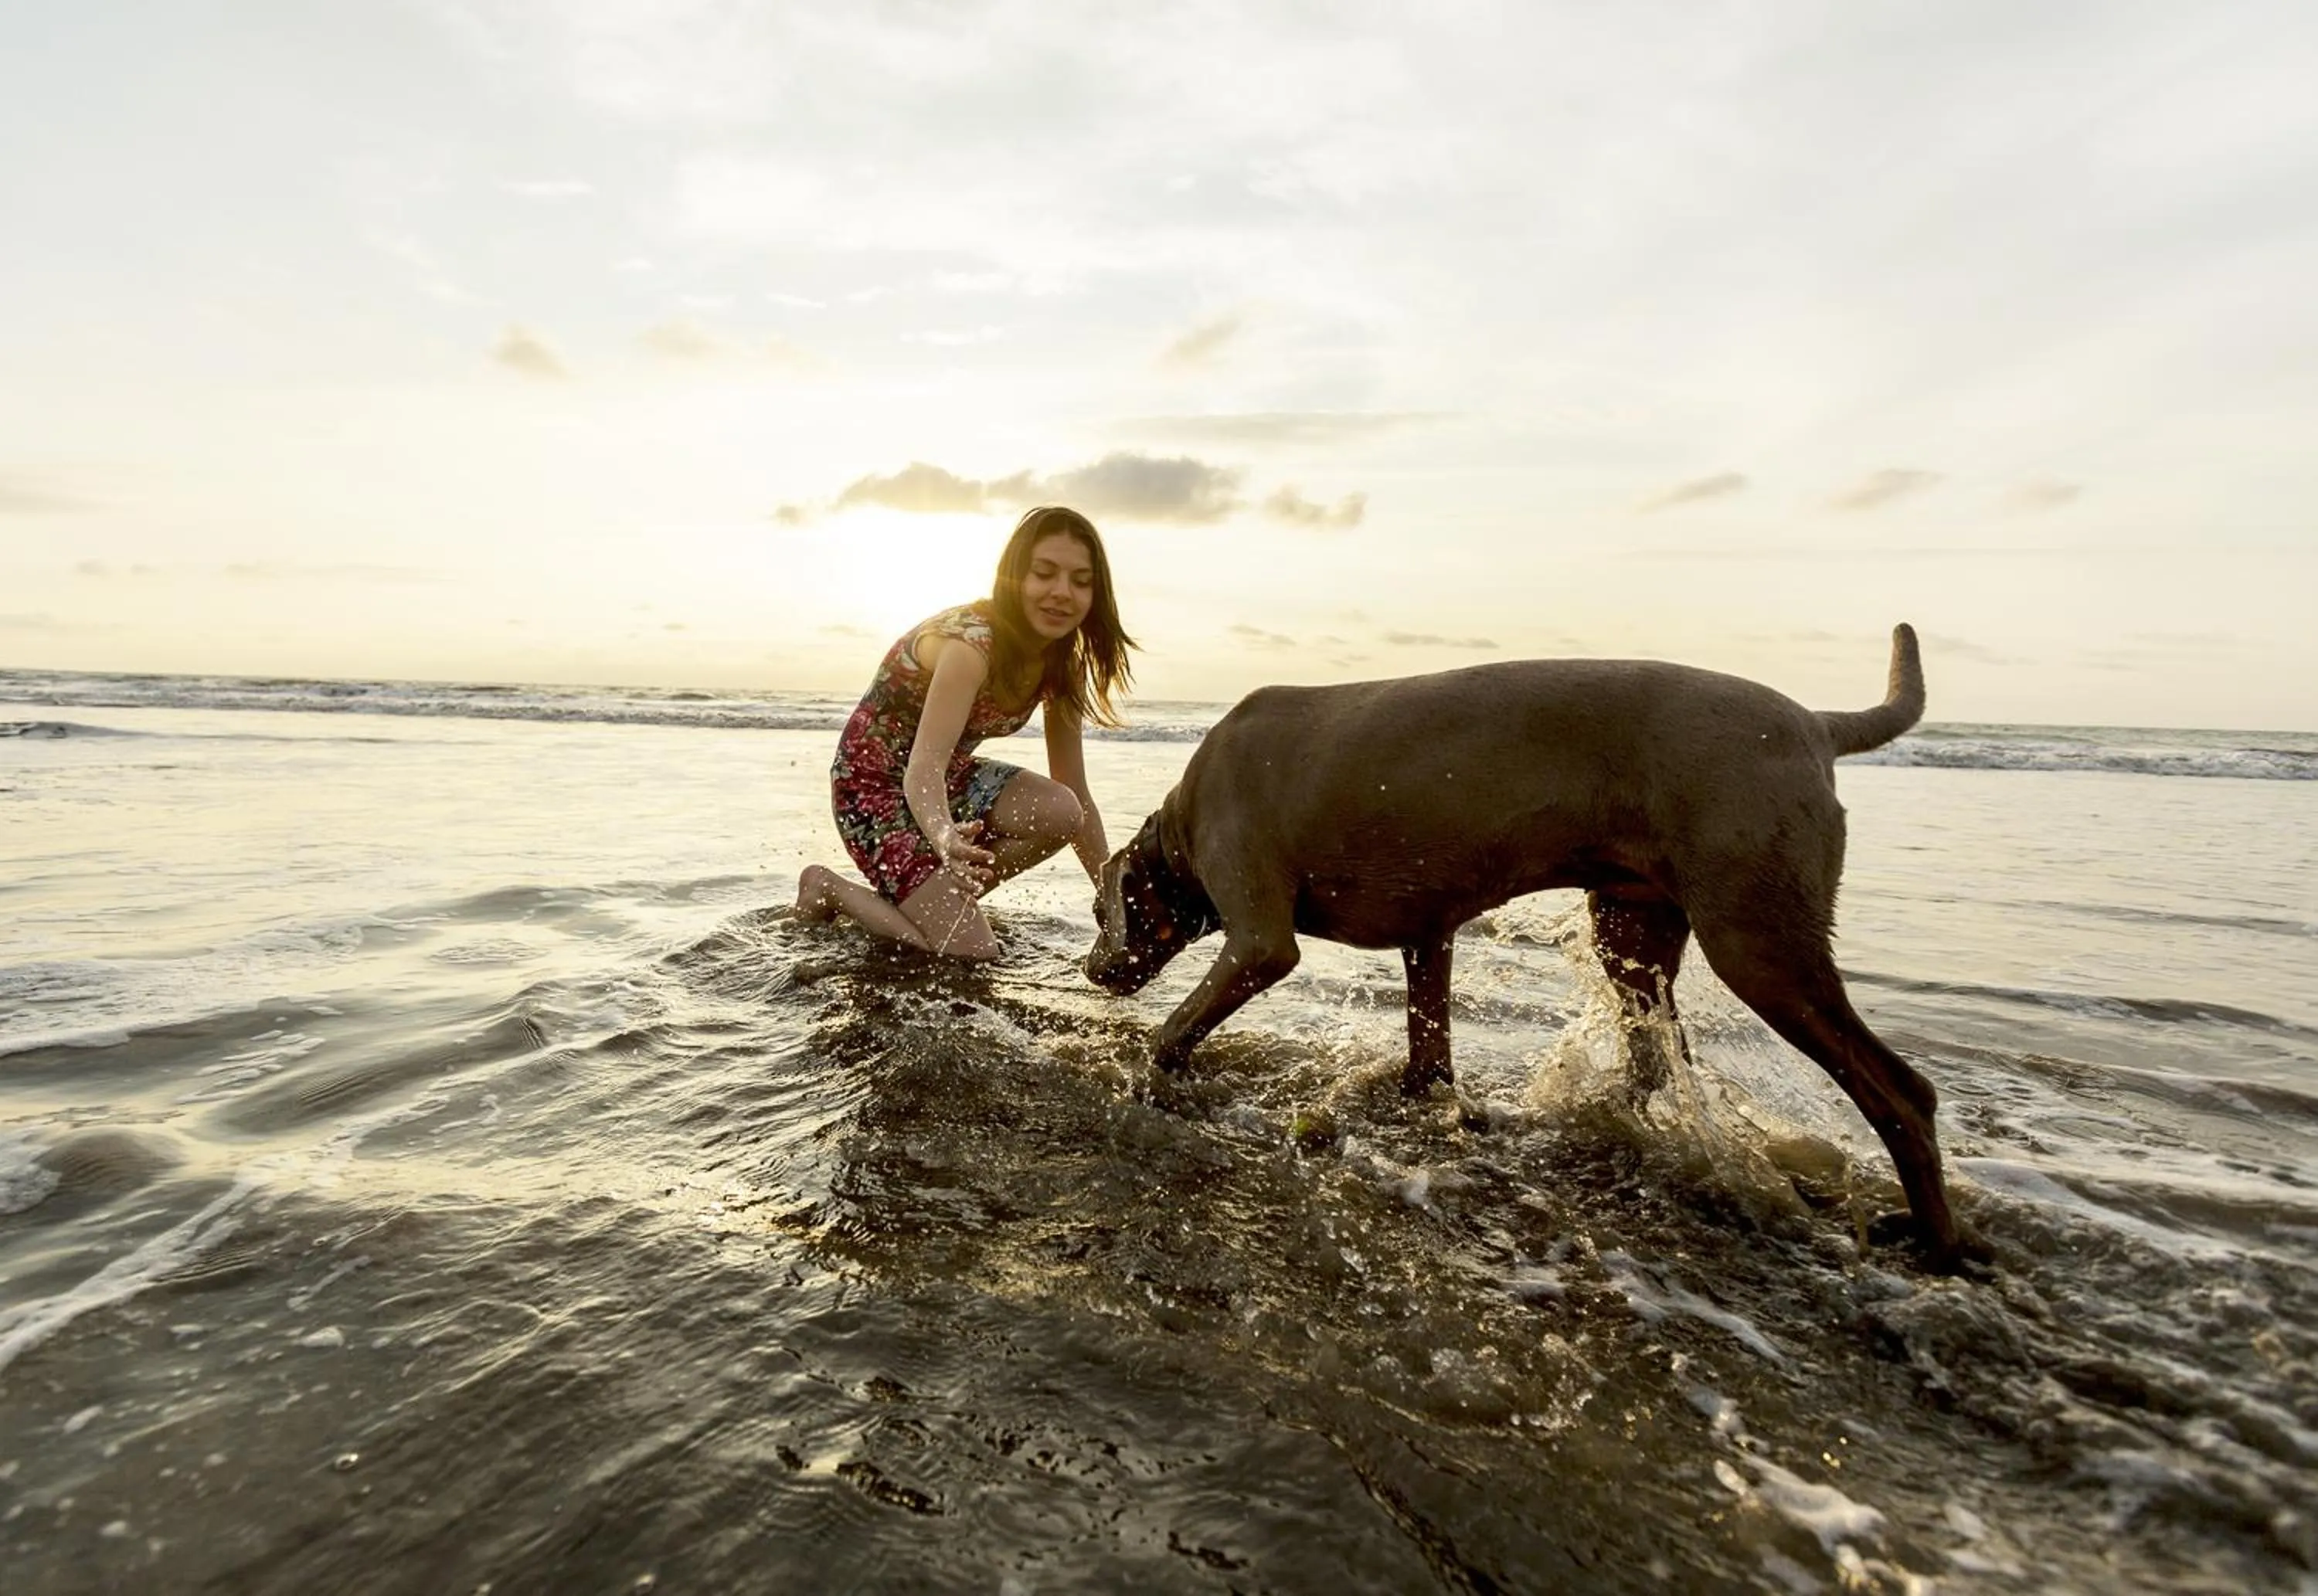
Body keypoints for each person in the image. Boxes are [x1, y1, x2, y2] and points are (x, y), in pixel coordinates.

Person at [794, 505, 1137, 959]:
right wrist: (945, 839)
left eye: (1080, 580)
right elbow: (922, 769)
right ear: (1015, 576)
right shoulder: (971, 646)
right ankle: (828, 888)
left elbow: (1074, 787)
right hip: (872, 786)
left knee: (1061, 810)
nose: (1061, 592)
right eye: (1044, 573)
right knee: (972, 957)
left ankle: (942, 901)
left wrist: (1111, 895)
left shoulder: (1064, 664)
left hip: (944, 780)